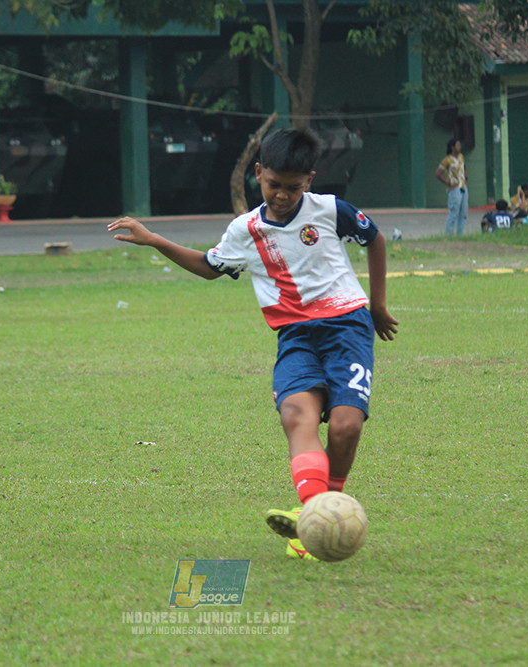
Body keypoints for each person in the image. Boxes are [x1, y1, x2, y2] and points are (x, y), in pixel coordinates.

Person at [108, 128, 398, 561]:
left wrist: (376, 305)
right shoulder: (245, 231)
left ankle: (324, 505)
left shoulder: (330, 211)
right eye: (274, 184)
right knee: (297, 416)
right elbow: (209, 267)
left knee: (345, 427)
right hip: (295, 336)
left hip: (347, 326)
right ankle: (313, 521)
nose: (283, 195)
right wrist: (155, 240)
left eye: (294, 187)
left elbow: (373, 238)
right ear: (258, 174)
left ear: (310, 181)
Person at [435, 138, 467, 236]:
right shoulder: (447, 160)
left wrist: (466, 177)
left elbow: (465, 167)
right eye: (457, 145)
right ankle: (448, 234)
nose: (459, 147)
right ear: (452, 147)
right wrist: (447, 182)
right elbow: (438, 173)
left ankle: (460, 234)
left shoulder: (461, 157)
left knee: (463, 213)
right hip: (454, 188)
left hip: (463, 187)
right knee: (454, 212)